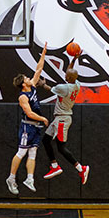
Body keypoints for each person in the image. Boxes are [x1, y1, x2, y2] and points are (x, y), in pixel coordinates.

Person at [38, 50, 90, 184]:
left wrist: (42, 84)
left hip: (62, 119)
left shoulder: (64, 88)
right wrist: (74, 59)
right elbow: (70, 71)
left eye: (66, 75)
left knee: (61, 147)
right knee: (45, 140)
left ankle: (81, 168)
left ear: (67, 78)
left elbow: (49, 88)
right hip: (59, 119)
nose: (65, 74)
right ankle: (54, 166)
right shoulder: (76, 84)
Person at [6, 43, 49, 195]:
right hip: (28, 127)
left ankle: (29, 179)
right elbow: (30, 114)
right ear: (24, 84)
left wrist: (43, 53)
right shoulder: (23, 97)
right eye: (26, 78)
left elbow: (39, 68)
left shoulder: (33, 86)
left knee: (33, 153)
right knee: (21, 152)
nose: (30, 77)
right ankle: (11, 178)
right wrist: (43, 118)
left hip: (36, 127)